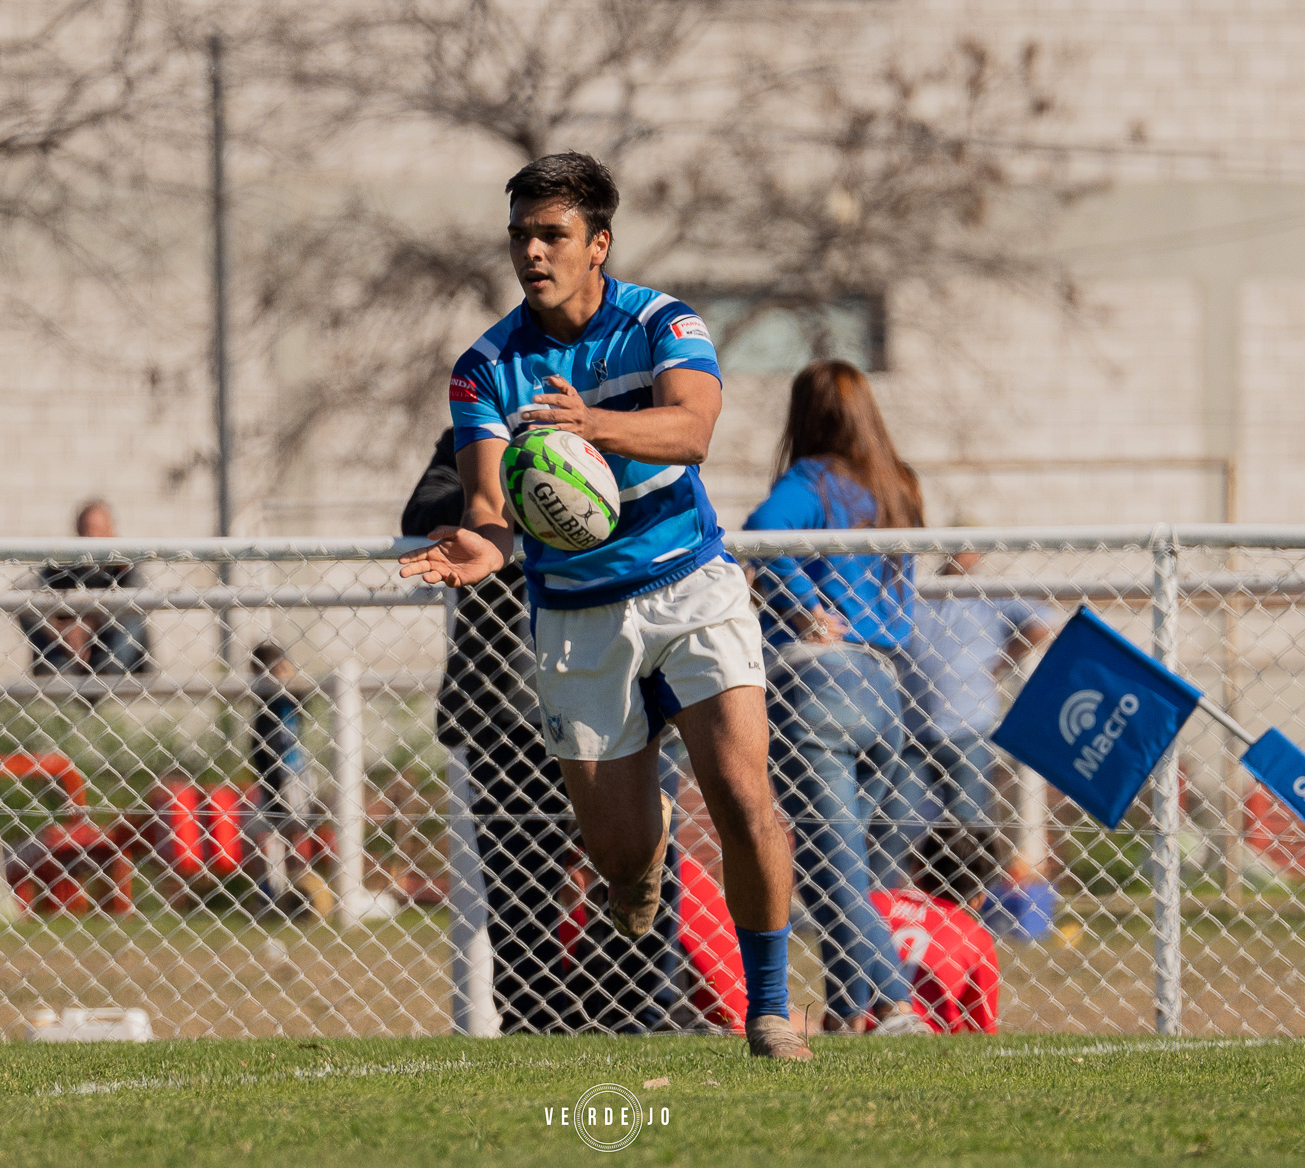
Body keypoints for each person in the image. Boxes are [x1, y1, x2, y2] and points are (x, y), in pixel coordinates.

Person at [399, 152, 809, 1059]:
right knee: (620, 860)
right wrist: (482, 545)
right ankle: (641, 860)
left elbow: (692, 430)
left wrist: (593, 426)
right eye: (521, 237)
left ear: (599, 244)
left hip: (689, 586)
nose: (532, 253)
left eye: (552, 235)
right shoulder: (485, 368)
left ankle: (772, 1008)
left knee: (744, 796)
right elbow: (489, 507)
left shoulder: (663, 321)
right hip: (578, 615)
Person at [402, 428, 683, 1033]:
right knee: (519, 885)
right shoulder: (475, 432)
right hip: (508, 711)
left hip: (618, 690)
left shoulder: (618, 422)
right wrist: (532, 482)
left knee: (641, 860)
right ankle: (534, 1023)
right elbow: (423, 511)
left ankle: (630, 1014)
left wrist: (584, 478)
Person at [744, 358, 929, 1035]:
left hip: (816, 683)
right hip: (884, 688)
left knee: (832, 865)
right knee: (841, 864)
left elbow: (761, 536)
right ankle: (849, 1011)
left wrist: (800, 607)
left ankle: (895, 1003)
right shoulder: (897, 485)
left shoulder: (811, 480)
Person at [884, 549, 1050, 879]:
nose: (964, 556)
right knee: (896, 820)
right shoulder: (919, 592)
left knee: (969, 823)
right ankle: (892, 901)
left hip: (968, 726)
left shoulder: (990, 594)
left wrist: (1004, 658)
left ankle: (970, 900)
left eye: (972, 549)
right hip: (914, 729)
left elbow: (1044, 623)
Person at [869, 824, 1001, 1034]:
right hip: (924, 1035)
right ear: (979, 897)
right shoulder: (975, 938)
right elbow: (983, 1030)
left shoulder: (875, 903)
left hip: (862, 1023)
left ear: (917, 868)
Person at [22, 500, 153, 676]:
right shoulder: (63, 565)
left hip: (112, 645)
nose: (91, 536)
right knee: (26, 607)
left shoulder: (126, 563)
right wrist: (57, 629)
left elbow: (143, 595)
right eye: (86, 530)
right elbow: (21, 589)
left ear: (111, 531)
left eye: (97, 529)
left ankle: (107, 674)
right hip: (68, 649)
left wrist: (90, 624)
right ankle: (57, 673)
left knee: (134, 613)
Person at [249, 642, 311, 915]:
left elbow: (304, 698)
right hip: (275, 774)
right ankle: (275, 894)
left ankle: (296, 892)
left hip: (293, 772)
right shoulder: (266, 700)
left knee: (292, 831)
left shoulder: (289, 697)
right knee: (273, 833)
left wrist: (288, 678)